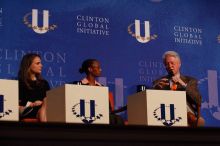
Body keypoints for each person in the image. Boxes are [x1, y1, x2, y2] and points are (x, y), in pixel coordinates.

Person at [152, 51, 205, 127]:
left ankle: (194, 121)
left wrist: (182, 83)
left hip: (186, 111)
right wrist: (155, 89)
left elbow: (197, 99)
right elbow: (151, 101)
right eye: (167, 64)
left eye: (172, 63)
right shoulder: (159, 82)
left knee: (187, 111)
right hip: (165, 110)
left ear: (179, 64)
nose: (170, 66)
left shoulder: (190, 81)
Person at [73, 59, 124, 125]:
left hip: (100, 114)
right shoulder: (77, 85)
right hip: (83, 114)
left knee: (117, 119)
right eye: (98, 67)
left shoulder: (102, 87)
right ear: (90, 69)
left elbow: (108, 108)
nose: (100, 70)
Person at [18, 53, 50, 122]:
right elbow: (17, 103)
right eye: (38, 63)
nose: (41, 65)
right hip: (28, 110)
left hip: (42, 109)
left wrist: (41, 102)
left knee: (46, 101)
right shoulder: (19, 83)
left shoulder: (44, 83)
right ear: (29, 65)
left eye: (40, 63)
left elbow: (49, 101)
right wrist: (32, 104)